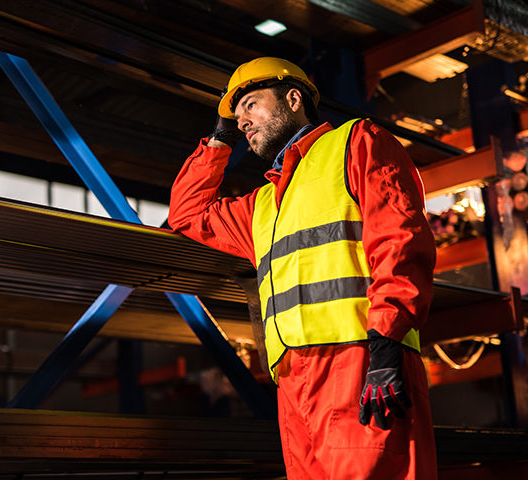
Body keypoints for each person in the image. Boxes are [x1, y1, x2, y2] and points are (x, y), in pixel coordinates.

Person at [168, 57, 438, 479]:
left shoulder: (357, 142)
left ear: (294, 99)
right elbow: (186, 213)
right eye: (236, 118)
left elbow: (399, 239)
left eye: (252, 105)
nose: (243, 122)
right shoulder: (262, 206)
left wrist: (385, 343)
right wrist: (219, 138)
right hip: (293, 379)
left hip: (361, 361)